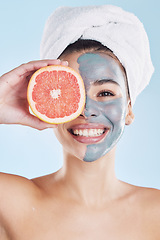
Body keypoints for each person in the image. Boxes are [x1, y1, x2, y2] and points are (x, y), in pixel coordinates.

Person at [0, 5, 159, 240]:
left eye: (105, 93)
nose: (86, 111)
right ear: (49, 107)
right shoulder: (9, 203)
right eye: (70, 95)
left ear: (129, 110)